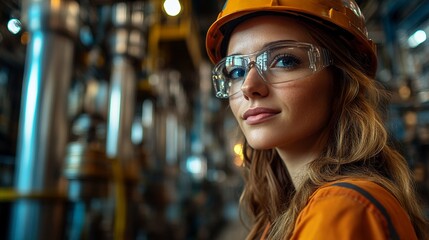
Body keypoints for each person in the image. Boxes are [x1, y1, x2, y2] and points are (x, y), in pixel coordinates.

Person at [205, 0, 429, 239]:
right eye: (236, 72)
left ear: (342, 80)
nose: (249, 86)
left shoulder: (341, 210)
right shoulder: (293, 211)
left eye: (284, 60)